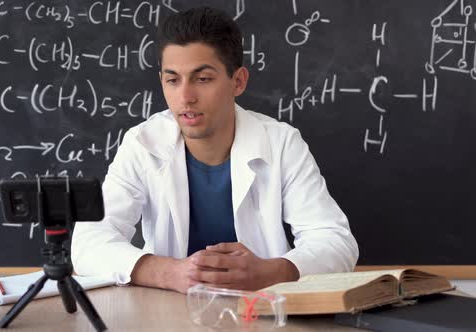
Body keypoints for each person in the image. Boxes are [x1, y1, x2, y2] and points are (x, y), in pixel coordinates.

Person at [71, 6, 358, 294]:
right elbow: (89, 241)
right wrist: (170, 273)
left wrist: (271, 272)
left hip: (261, 310)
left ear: (238, 81)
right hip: (167, 310)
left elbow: (335, 240)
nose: (186, 97)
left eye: (203, 78)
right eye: (173, 80)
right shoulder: (143, 144)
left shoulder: (281, 143)